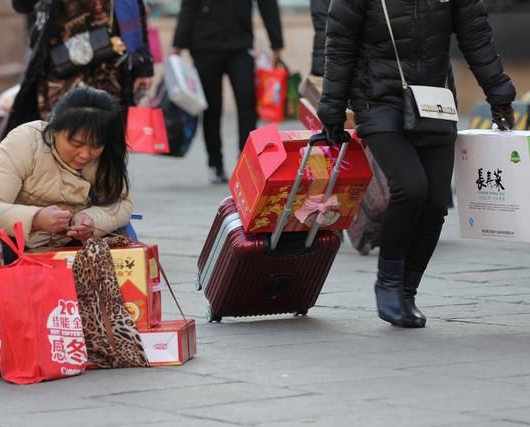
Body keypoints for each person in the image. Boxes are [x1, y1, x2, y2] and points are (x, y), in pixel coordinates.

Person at [317, 0, 516, 328]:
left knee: (436, 202)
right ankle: (389, 284)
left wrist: (498, 93)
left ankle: (408, 289)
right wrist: (332, 108)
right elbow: (340, 44)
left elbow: (475, 35)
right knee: (410, 187)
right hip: (377, 101)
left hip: (434, 101)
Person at [0, 86, 132, 255]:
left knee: (119, 242)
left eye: (96, 145)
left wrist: (91, 219)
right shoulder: (25, 142)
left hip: (63, 242)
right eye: (76, 144)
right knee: (1, 250)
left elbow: (121, 203)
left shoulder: (104, 156)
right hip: (14, 242)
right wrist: (35, 218)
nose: (85, 154)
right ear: (54, 128)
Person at [2, 0, 154, 138]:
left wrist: (143, 68)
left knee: (104, 139)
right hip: (62, 69)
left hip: (108, 69)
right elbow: (22, 5)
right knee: (63, 136)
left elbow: (137, 13)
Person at [172, 0, 284, 184]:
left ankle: (246, 161)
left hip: (240, 46)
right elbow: (189, 5)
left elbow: (267, 4)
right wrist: (178, 45)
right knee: (212, 108)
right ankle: (215, 163)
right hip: (204, 46)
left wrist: (276, 42)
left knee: (247, 100)